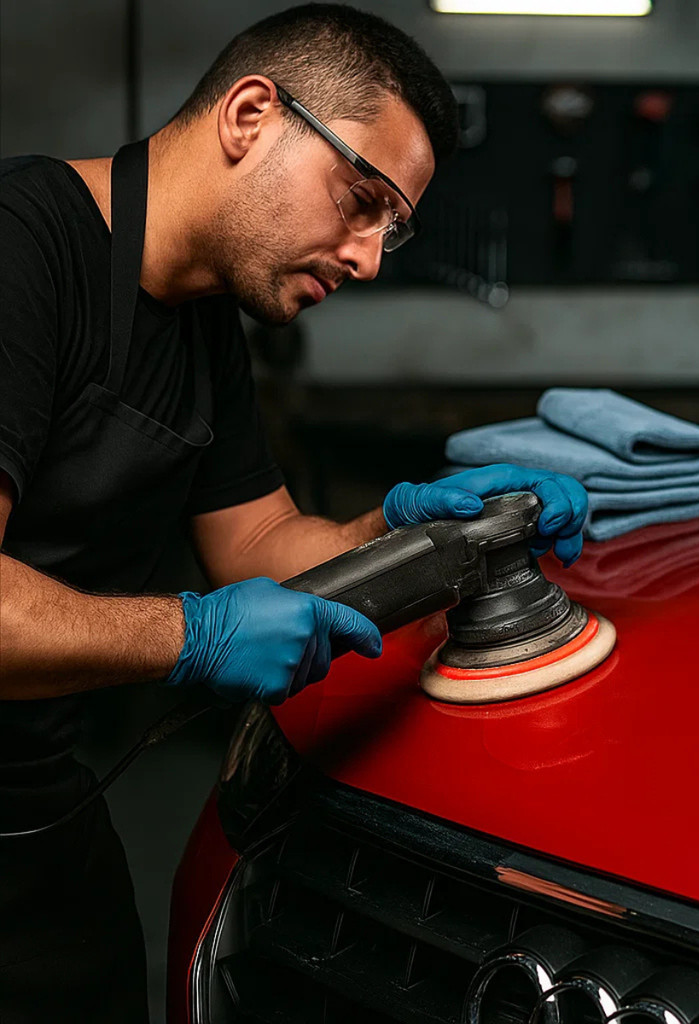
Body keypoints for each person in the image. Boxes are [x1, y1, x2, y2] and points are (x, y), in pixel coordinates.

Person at [0, 6, 587, 1021]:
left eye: (390, 229)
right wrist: (191, 635)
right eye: (360, 201)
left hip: (37, 801)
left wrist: (407, 532)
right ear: (250, 115)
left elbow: (260, 544)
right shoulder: (23, 247)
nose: (368, 259)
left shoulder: (202, 328)